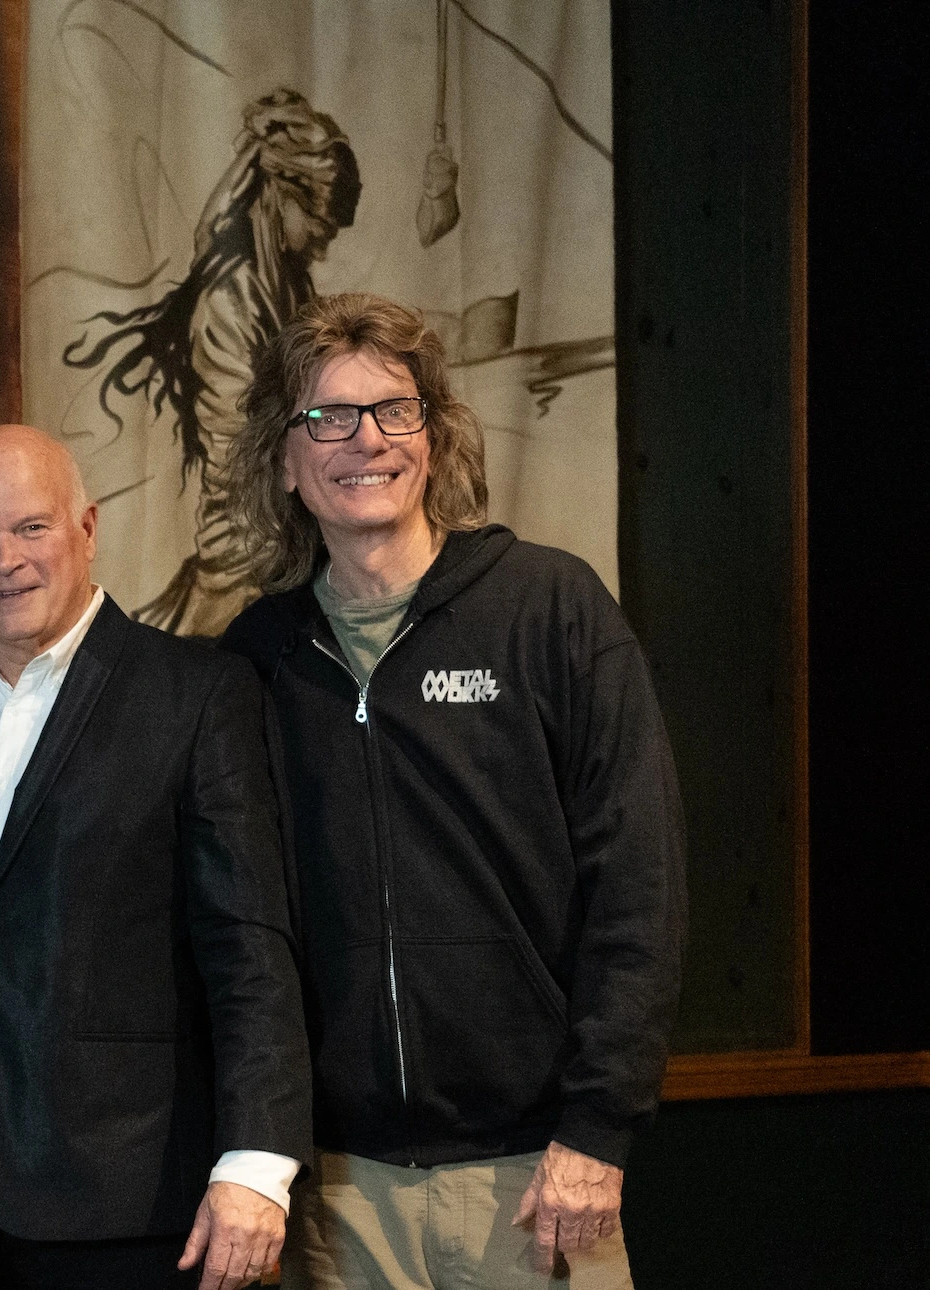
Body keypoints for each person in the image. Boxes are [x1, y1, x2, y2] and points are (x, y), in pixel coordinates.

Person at [216, 293, 685, 1289]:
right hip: (337, 1194)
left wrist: (596, 1129)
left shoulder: (548, 610)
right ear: (287, 460)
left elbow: (637, 887)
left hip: (536, 1179)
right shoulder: (255, 659)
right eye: (326, 417)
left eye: (394, 409)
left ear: (431, 435)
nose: (365, 441)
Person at [0, 424, 311, 1290]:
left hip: (136, 1204)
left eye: (31, 527)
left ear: (88, 528)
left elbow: (248, 944)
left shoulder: (198, 692)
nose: (6, 559)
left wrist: (257, 1164)